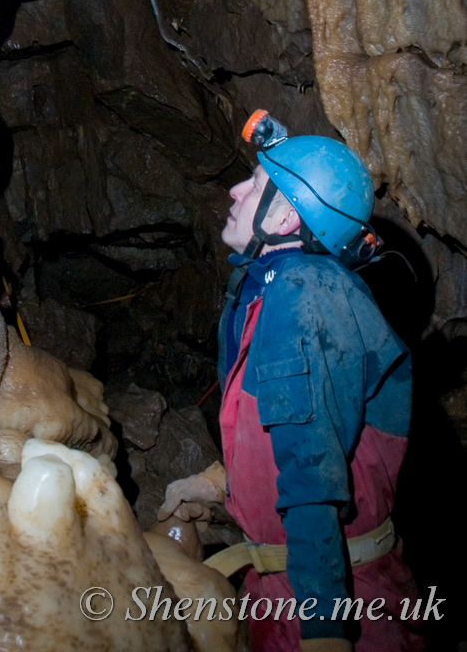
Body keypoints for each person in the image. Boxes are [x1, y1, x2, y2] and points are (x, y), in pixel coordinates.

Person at [158, 111, 423, 652]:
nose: (234, 191)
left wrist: (323, 633)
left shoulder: (306, 297)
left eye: (255, 185)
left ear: (283, 222)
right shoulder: (275, 290)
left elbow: (312, 483)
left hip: (336, 602)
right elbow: (295, 431)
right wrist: (218, 481)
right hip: (285, 589)